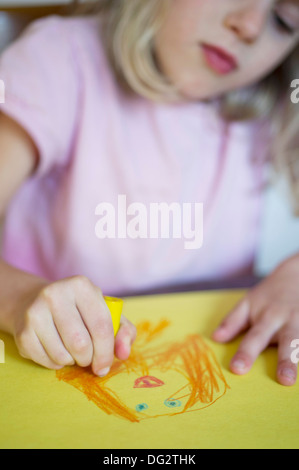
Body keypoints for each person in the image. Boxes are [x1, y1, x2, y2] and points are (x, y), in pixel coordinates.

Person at [0, 0, 298, 385]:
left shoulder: (273, 104)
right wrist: (17, 297)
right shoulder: (60, 60)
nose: (250, 26)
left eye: (284, 20)